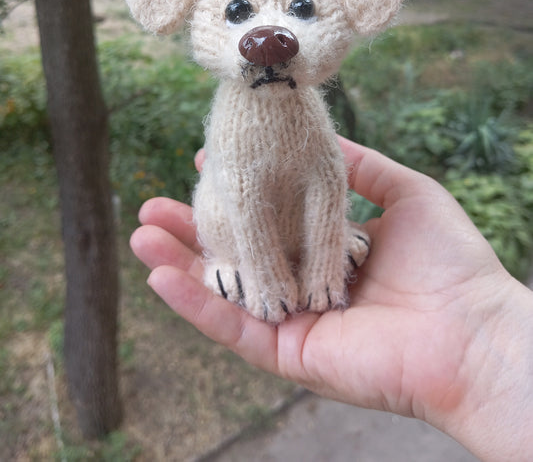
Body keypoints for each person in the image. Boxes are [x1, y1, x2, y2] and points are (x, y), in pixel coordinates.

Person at [130, 136, 533, 462]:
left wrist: (482, 353)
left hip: (318, 245)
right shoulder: (233, 123)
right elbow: (240, 200)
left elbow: (325, 180)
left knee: (323, 180)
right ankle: (242, 265)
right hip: (240, 246)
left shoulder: (310, 118)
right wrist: (265, 281)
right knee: (233, 199)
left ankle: (324, 255)